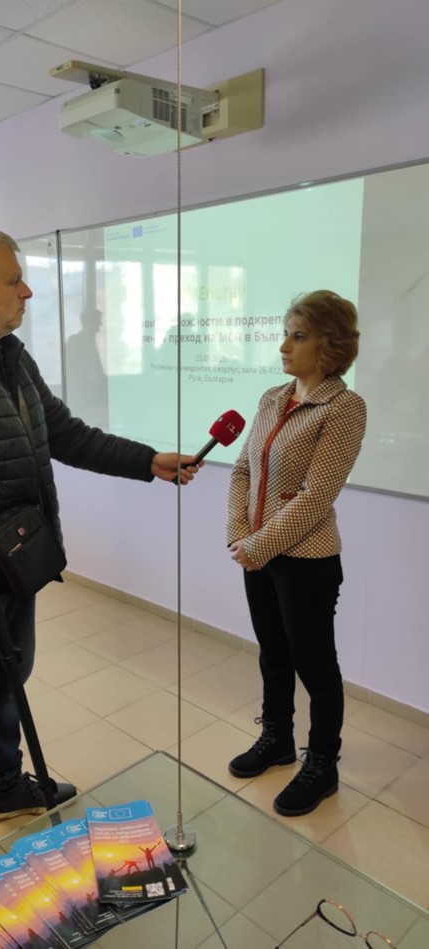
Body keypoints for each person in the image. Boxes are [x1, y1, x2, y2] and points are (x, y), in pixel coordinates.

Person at [0, 224, 201, 869]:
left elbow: (62, 432)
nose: (28, 292)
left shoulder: (9, 353)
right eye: (15, 281)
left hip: (16, 561)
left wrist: (148, 461)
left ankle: (7, 788)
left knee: (14, 680)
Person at [226, 290, 366, 816]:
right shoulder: (271, 398)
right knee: (272, 651)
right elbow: (243, 470)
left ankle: (322, 763)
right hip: (257, 551)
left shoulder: (345, 407)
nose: (284, 345)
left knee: (315, 663)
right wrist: (239, 530)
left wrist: (257, 544)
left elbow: (316, 496)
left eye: (298, 335)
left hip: (306, 559)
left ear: (329, 346)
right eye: (285, 332)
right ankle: (278, 739)